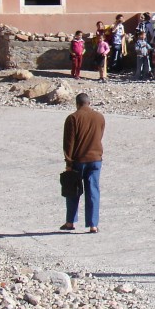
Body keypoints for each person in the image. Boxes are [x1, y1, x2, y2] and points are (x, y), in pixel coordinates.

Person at [61, 93, 104, 233]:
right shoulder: (100, 117)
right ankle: (93, 225)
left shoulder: (73, 118)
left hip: (78, 160)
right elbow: (100, 135)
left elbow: (69, 143)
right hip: (96, 159)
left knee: (73, 191)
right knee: (93, 191)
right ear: (89, 103)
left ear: (77, 104)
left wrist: (68, 162)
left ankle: (70, 222)